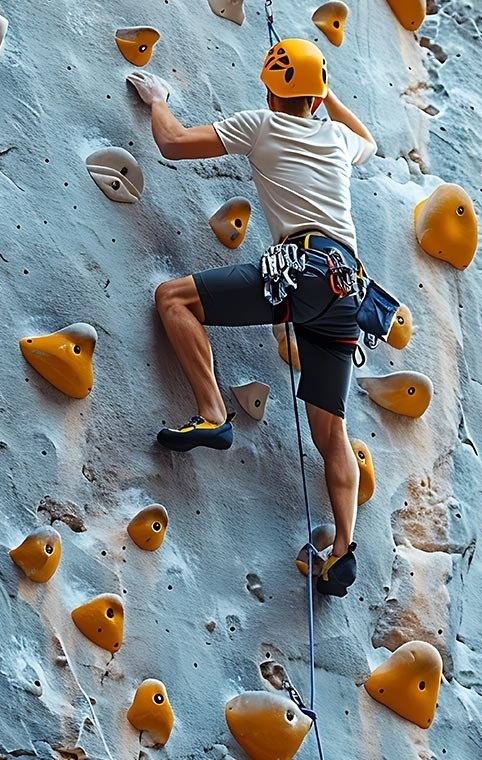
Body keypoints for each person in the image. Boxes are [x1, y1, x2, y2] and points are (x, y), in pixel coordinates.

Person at [126, 39, 376, 596]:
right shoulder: (336, 137)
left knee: (173, 298)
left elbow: (170, 143)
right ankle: (341, 553)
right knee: (332, 433)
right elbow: (370, 142)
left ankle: (213, 412)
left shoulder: (259, 124)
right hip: (347, 289)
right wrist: (323, 95)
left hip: (303, 267)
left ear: (269, 90)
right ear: (314, 98)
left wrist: (158, 98)